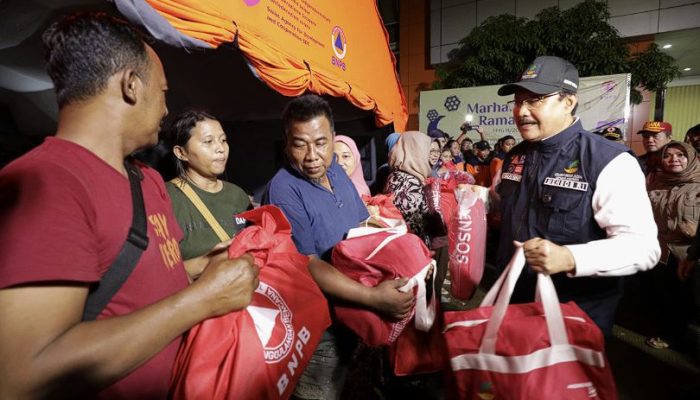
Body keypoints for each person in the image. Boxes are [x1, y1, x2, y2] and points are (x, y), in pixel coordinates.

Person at [0, 13, 259, 399]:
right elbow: (23, 373)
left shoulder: (147, 179)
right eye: (164, 92)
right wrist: (203, 299)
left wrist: (202, 268)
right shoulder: (48, 181)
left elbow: (147, 277)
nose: (166, 109)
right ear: (132, 86)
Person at [495, 55, 660, 336]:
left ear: (568, 102)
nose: (521, 111)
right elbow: (507, 205)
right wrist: (478, 198)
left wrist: (570, 257)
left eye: (535, 100)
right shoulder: (516, 156)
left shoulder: (608, 160)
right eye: (518, 101)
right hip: (513, 308)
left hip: (572, 322)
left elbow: (643, 248)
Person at [263, 94, 413, 399]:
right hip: (320, 328)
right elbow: (307, 264)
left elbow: (361, 230)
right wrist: (374, 298)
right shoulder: (283, 188)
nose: (311, 156)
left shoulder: (336, 173)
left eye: (320, 142)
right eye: (299, 143)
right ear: (286, 141)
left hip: (353, 315)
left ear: (333, 138)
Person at [163, 110, 252, 265]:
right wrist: (206, 263)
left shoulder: (238, 195)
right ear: (181, 152)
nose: (221, 148)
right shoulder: (165, 197)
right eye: (208, 141)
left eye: (223, 140)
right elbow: (160, 270)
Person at [645, 141, 700, 349]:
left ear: (691, 157)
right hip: (660, 251)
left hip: (689, 253)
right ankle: (669, 334)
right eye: (668, 155)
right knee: (665, 296)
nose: (674, 159)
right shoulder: (655, 182)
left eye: (680, 155)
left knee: (689, 300)